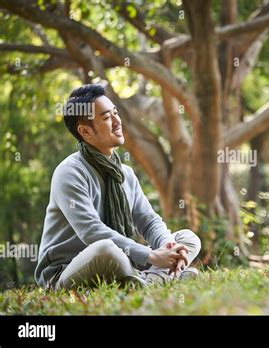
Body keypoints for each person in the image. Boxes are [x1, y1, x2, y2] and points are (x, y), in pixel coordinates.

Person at [35, 84, 201, 289]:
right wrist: (150, 256)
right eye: (106, 118)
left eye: (115, 113)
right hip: (67, 270)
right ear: (85, 131)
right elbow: (92, 232)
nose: (116, 121)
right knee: (106, 248)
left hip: (121, 260)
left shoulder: (125, 174)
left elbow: (149, 222)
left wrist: (169, 247)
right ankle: (159, 279)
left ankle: (146, 282)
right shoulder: (69, 173)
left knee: (188, 238)